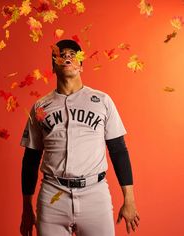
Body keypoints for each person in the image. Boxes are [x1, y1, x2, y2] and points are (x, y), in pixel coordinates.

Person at [20, 39, 140, 236]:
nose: (67, 57)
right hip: (52, 195)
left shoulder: (102, 101)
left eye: (73, 55)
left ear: (81, 65)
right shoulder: (40, 107)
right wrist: (26, 208)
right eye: (61, 55)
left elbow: (118, 150)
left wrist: (129, 200)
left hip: (95, 192)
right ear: (53, 66)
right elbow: (30, 159)